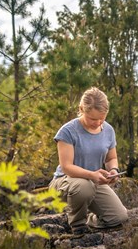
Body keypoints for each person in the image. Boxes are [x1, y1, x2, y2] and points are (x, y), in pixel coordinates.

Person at [49, 87, 128, 235]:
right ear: (81, 109)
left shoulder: (109, 130)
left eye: (101, 118)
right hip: (65, 182)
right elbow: (66, 167)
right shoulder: (67, 131)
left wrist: (114, 170)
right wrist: (92, 175)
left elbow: (111, 158)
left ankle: (89, 219)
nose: (98, 123)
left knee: (119, 217)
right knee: (84, 186)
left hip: (93, 182)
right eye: (92, 119)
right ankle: (77, 224)